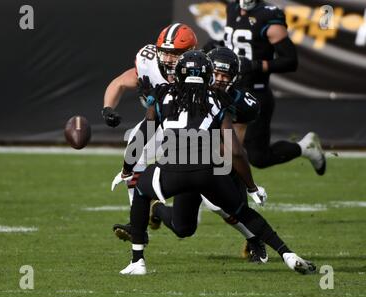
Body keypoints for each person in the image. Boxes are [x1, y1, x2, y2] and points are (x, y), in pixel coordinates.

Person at [119, 50, 316, 275]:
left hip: (173, 170)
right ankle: (287, 253)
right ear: (209, 75)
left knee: (142, 190)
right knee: (241, 211)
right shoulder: (220, 101)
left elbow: (142, 135)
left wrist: (127, 169)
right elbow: (237, 152)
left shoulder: (163, 94)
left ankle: (138, 261)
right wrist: (252, 187)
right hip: (208, 171)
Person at [222, 0, 326, 174]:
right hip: (231, 89)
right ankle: (221, 193)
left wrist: (256, 65)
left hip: (255, 92)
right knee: (226, 148)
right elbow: (233, 42)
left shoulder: (268, 14)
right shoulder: (232, 8)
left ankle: (305, 148)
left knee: (258, 158)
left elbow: (290, 61)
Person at [101, 23, 198, 208]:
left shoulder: (197, 71)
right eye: (165, 52)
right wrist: (107, 108)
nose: (169, 59)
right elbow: (120, 82)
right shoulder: (149, 63)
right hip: (160, 123)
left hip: (193, 129)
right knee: (135, 153)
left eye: (175, 54)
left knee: (210, 199)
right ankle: (139, 212)